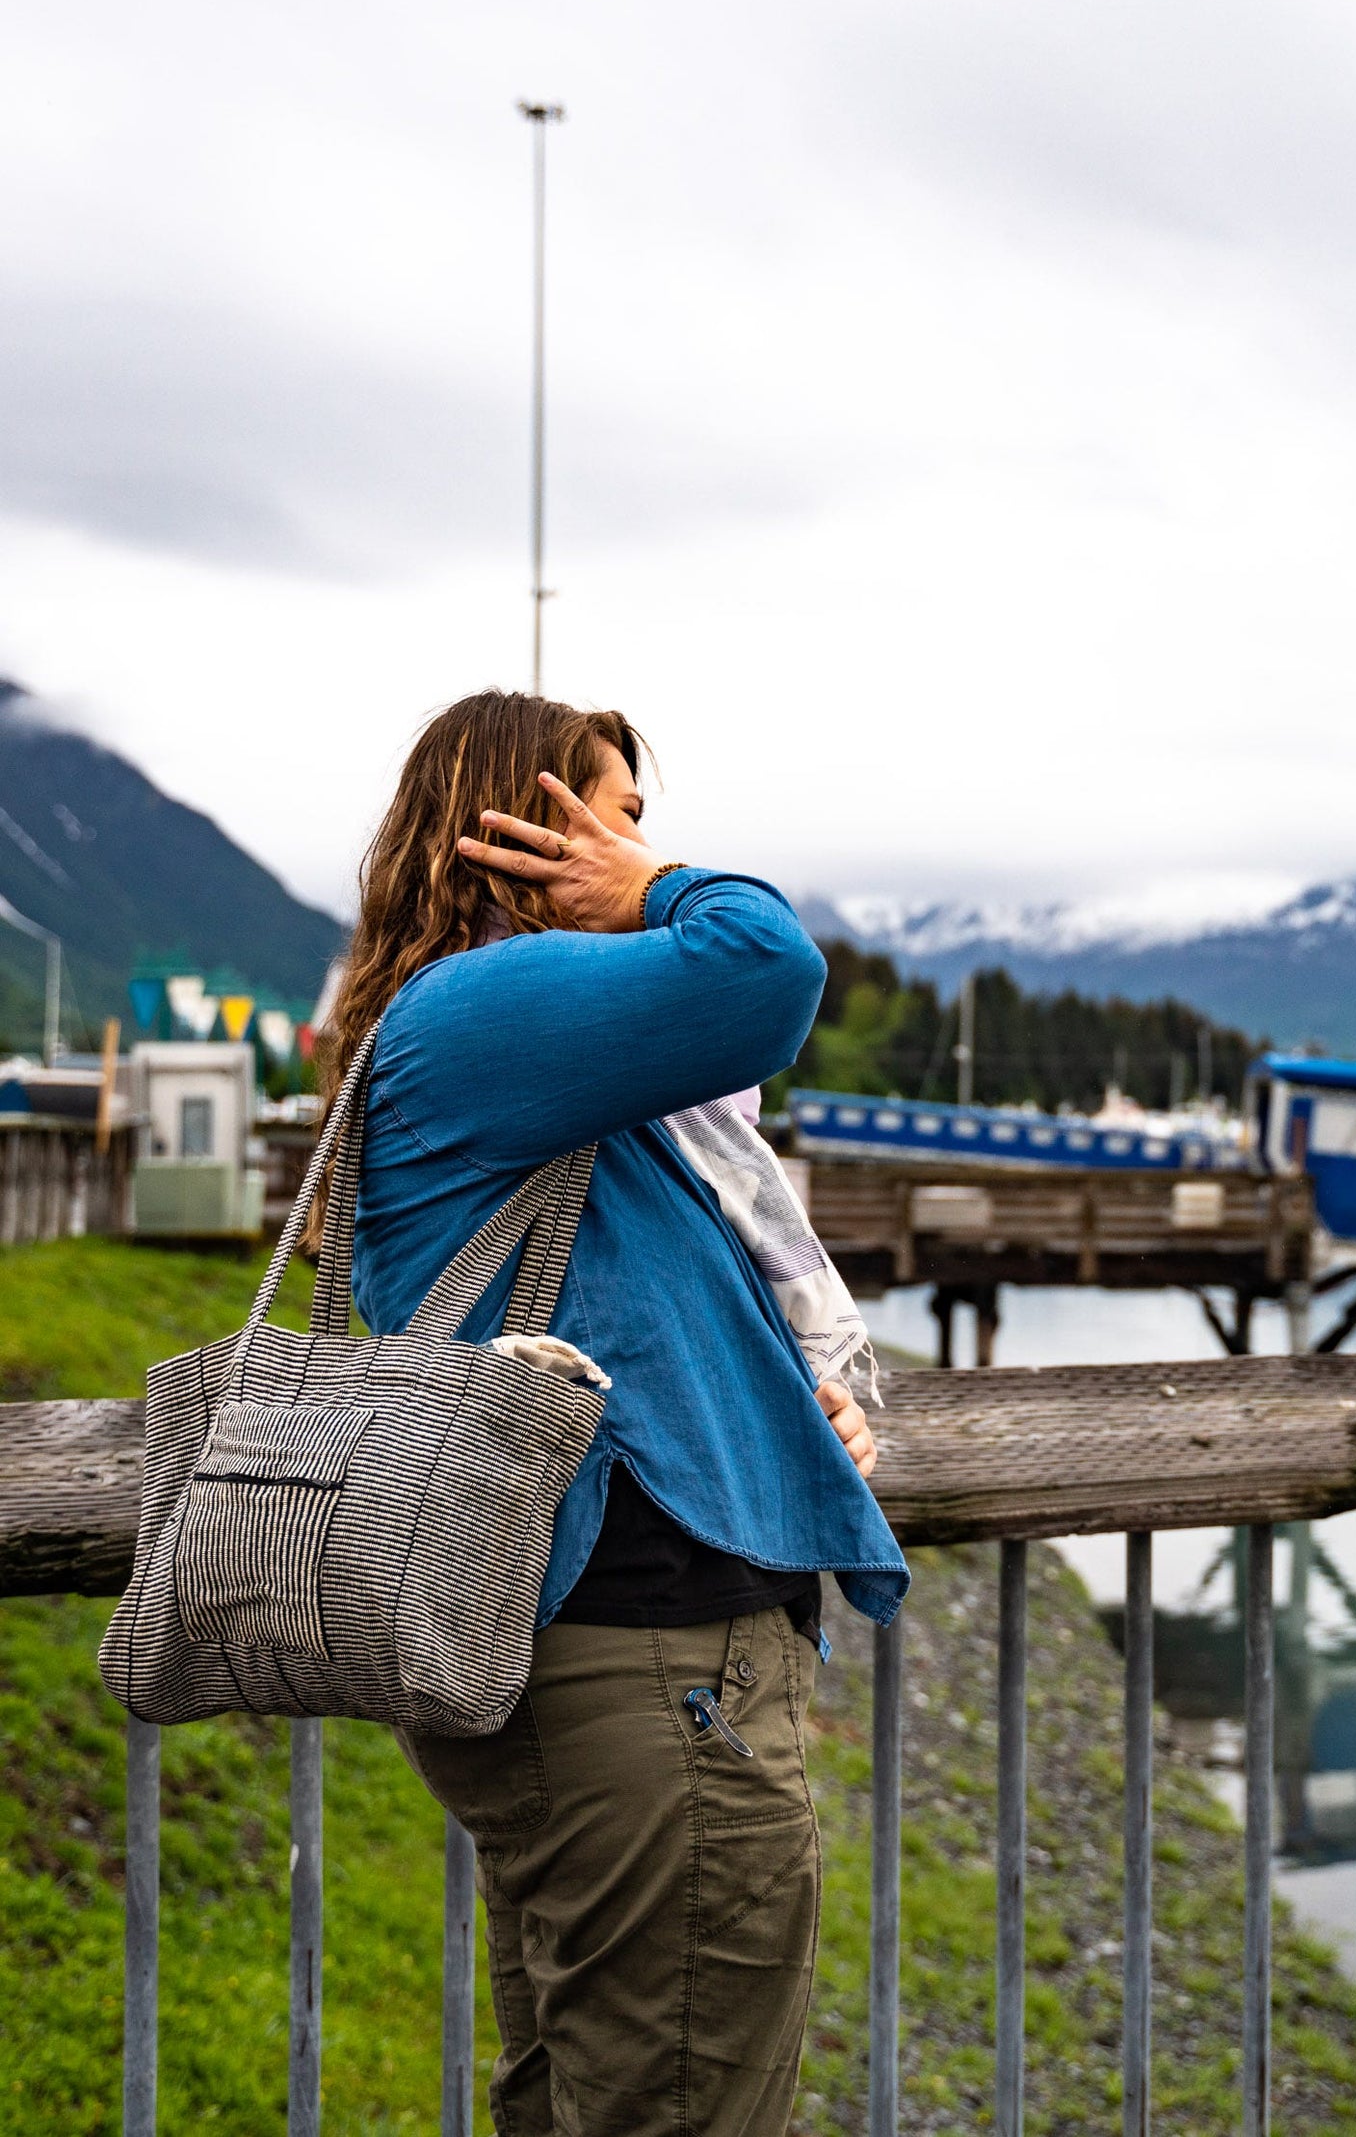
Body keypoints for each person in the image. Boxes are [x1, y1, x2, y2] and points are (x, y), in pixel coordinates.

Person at [315, 689, 908, 2137]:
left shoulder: (504, 1050)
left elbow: (631, 1304)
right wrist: (652, 892)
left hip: (602, 1661)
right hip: (647, 1670)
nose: (640, 851)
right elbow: (764, 966)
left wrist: (779, 1408)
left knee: (583, 2096)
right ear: (524, 829)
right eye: (609, 815)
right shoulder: (483, 1007)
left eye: (638, 824)